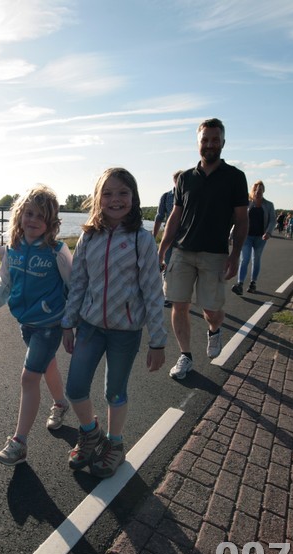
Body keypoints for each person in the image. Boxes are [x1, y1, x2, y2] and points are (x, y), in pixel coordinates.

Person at [61, 167, 167, 478]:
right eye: (107, 193)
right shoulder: (88, 236)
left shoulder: (141, 240)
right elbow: (78, 283)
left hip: (126, 332)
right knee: (75, 388)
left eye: (122, 193)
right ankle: (90, 432)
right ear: (98, 198)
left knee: (115, 392)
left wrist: (158, 341)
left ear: (134, 197)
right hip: (90, 327)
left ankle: (115, 444)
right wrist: (68, 323)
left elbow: (153, 292)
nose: (115, 199)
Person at [0, 185, 73, 466]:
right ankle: (61, 404)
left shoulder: (57, 251)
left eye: (41, 216)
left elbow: (74, 287)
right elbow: (5, 283)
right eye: (29, 213)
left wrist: (70, 325)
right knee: (48, 367)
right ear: (20, 215)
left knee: (29, 378)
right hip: (26, 324)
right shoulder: (12, 249)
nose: (33, 220)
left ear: (51, 222)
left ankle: (19, 443)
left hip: (49, 325)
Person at [157, 118, 248, 379]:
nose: (209, 144)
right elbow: (175, 217)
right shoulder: (185, 178)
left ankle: (214, 329)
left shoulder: (235, 177)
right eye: (205, 140)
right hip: (182, 251)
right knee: (179, 304)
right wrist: (162, 250)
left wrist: (235, 254)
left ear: (223, 142)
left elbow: (242, 220)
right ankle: (185, 355)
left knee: (211, 310)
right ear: (198, 143)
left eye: (214, 140)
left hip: (215, 254)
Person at [232, 180, 276, 295]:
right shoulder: (247, 203)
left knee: (256, 259)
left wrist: (268, 232)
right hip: (246, 236)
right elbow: (239, 219)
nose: (258, 192)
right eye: (256, 190)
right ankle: (240, 284)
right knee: (244, 259)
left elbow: (272, 220)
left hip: (261, 237)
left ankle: (253, 283)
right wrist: (232, 234)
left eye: (260, 190)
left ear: (263, 191)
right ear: (252, 191)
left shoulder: (269, 205)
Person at [153, 171, 183, 308]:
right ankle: (167, 295)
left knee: (181, 266)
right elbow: (159, 216)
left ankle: (177, 294)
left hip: (185, 237)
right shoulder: (166, 197)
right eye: (178, 180)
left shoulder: (188, 196)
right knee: (168, 263)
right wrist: (154, 236)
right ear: (174, 181)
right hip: (169, 235)